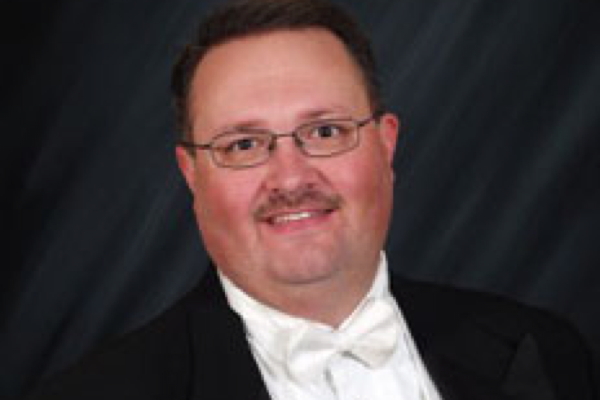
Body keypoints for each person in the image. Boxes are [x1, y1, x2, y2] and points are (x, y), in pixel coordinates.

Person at [25, 0, 598, 399]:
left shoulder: (543, 349)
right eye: (243, 143)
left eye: (324, 132)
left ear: (385, 143)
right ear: (191, 173)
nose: (289, 176)